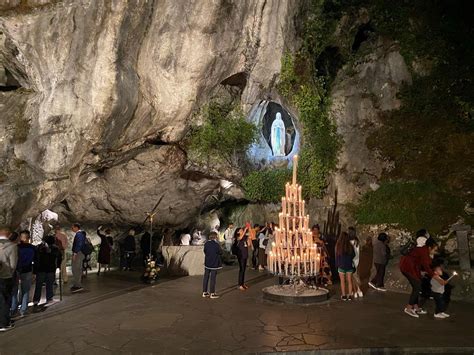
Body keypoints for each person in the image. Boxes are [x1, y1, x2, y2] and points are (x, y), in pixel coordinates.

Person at [400, 237, 438, 318]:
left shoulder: (424, 250)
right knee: (417, 286)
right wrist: (435, 276)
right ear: (429, 247)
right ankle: (408, 308)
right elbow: (427, 266)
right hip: (407, 267)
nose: (435, 252)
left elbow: (423, 262)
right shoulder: (424, 251)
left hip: (412, 267)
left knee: (416, 286)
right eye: (434, 250)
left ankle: (416, 307)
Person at [10, 231, 35, 319]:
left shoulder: (16, 247)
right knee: (25, 290)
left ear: (21, 238)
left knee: (14, 291)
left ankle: (13, 309)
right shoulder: (33, 248)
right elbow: (35, 260)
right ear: (28, 238)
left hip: (16, 270)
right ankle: (23, 310)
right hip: (27, 270)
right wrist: (34, 272)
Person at [33, 235, 62, 306]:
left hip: (40, 269)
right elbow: (59, 257)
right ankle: (49, 298)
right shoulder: (55, 248)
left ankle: (36, 299)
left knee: (38, 285)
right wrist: (58, 265)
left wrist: (35, 269)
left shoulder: (39, 247)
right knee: (49, 284)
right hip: (50, 269)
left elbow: (35, 258)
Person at [0, 227, 18, 332]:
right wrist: (10, 273)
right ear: (9, 234)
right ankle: (4, 323)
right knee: (5, 300)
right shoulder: (12, 246)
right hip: (5, 276)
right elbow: (13, 265)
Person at [202, 231, 223, 299]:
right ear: (215, 237)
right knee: (213, 279)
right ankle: (212, 293)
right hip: (214, 263)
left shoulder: (206, 244)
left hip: (207, 263)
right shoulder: (216, 245)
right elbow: (220, 252)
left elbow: (205, 251)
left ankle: (204, 292)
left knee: (206, 277)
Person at [335, 231, 355, 301]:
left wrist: (337, 264)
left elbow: (337, 256)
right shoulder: (350, 246)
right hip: (349, 265)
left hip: (341, 265)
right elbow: (353, 255)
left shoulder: (338, 246)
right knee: (349, 281)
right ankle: (349, 295)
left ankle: (343, 295)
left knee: (342, 281)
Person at [70, 223, 86, 293]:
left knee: (75, 269)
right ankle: (77, 284)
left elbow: (78, 244)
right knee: (78, 269)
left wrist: (75, 253)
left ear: (76, 227)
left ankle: (78, 285)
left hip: (78, 253)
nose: (72, 229)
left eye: (72, 227)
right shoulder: (82, 234)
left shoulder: (79, 234)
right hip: (80, 253)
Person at [348, 227, 363, 298]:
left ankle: (357, 291)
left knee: (352, 276)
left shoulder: (349, 242)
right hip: (357, 260)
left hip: (351, 260)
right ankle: (357, 291)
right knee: (354, 276)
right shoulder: (357, 241)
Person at [235, 226, 250, 291]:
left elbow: (248, 244)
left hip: (245, 254)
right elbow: (240, 238)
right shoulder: (237, 238)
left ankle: (242, 284)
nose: (242, 231)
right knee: (241, 269)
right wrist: (245, 230)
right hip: (240, 255)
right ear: (238, 232)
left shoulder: (245, 237)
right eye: (240, 230)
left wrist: (249, 238)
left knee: (244, 270)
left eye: (242, 230)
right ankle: (239, 285)